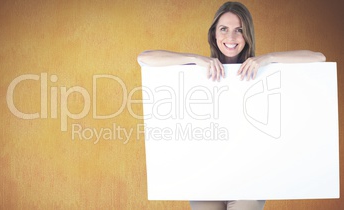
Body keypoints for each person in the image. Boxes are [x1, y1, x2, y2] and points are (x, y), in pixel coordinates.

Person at [137, 1, 325, 210]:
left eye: (239, 30)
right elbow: (144, 58)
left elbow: (318, 58)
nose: (231, 38)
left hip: (249, 177)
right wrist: (195, 59)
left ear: (248, 35)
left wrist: (268, 58)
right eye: (224, 29)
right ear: (214, 34)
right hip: (205, 176)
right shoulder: (196, 71)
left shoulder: (263, 72)